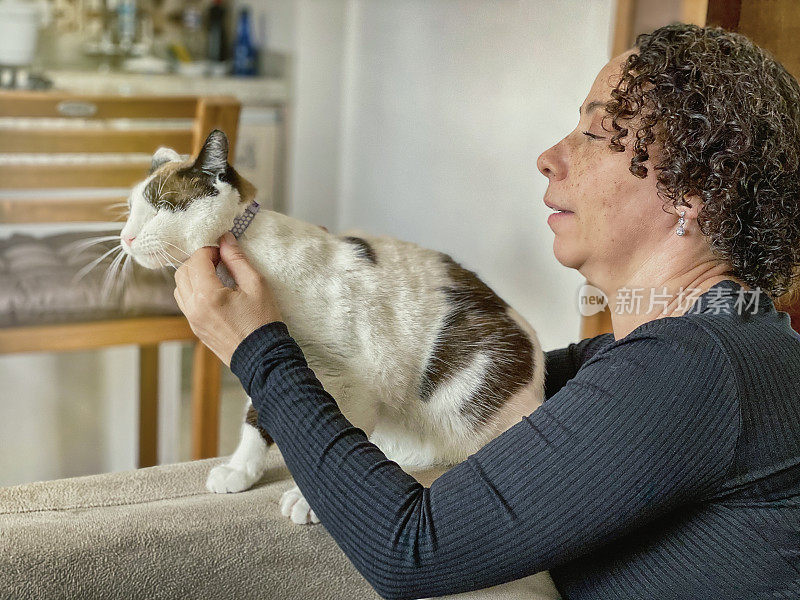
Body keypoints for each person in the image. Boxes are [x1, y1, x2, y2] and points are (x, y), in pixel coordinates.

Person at [173, 24, 800, 600]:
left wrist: (257, 348)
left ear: (692, 192)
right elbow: (463, 390)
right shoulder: (710, 344)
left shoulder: (694, 369)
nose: (549, 156)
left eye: (595, 133)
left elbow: (410, 550)